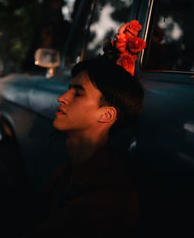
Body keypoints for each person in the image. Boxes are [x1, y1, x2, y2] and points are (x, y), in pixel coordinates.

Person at [24, 55, 144, 238]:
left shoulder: (106, 200)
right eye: (68, 89)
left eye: (78, 93)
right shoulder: (66, 174)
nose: (62, 98)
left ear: (106, 115)